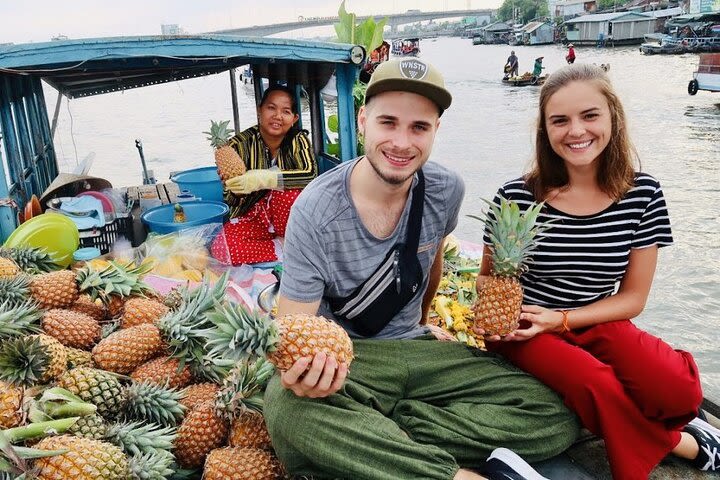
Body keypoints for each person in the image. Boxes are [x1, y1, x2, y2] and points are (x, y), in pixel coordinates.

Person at [263, 57, 579, 480]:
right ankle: (453, 474)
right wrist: (303, 376)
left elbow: (430, 265)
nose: (401, 142)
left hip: (421, 349)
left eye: (419, 127)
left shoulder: (446, 189)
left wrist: (426, 323)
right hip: (354, 361)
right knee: (287, 407)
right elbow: (291, 331)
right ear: (363, 121)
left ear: (435, 132)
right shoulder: (315, 210)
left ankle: (382, 438)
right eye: (388, 122)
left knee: (553, 416)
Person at [476, 64, 715, 479]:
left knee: (678, 390)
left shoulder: (643, 193)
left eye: (589, 115)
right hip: (527, 325)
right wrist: (519, 315)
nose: (576, 131)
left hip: (598, 319)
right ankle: (683, 444)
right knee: (595, 383)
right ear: (545, 129)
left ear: (612, 118)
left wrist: (565, 320)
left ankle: (675, 424)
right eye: (560, 120)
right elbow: (486, 278)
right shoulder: (515, 196)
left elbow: (634, 299)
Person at [210, 85, 317, 266]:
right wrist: (237, 188)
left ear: (294, 118)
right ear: (259, 110)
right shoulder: (237, 145)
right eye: (271, 108)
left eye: (286, 111)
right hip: (256, 216)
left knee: (287, 190)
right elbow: (231, 201)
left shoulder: (298, 140)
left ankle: (290, 241)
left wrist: (264, 179)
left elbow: (311, 174)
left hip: (292, 221)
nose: (277, 116)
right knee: (222, 247)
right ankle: (284, 248)